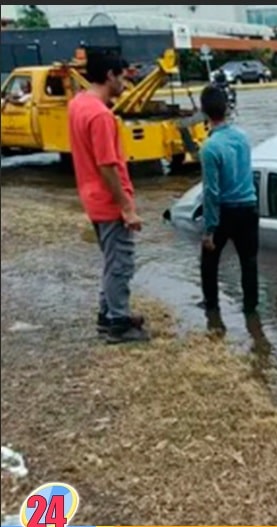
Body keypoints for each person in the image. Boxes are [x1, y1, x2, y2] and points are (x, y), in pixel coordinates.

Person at [67, 52, 149, 345]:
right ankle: (118, 322)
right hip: (109, 201)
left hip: (91, 197)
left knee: (111, 259)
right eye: (123, 76)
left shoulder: (78, 104)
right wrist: (126, 207)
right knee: (121, 264)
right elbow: (107, 165)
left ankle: (109, 314)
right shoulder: (101, 116)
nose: (126, 82)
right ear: (110, 75)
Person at [197, 84, 260, 332]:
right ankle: (251, 311)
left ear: (204, 113)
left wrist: (209, 229)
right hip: (249, 207)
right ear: (227, 108)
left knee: (209, 262)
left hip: (225, 211)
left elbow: (211, 192)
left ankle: (212, 310)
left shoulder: (209, 148)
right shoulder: (243, 138)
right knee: (249, 262)